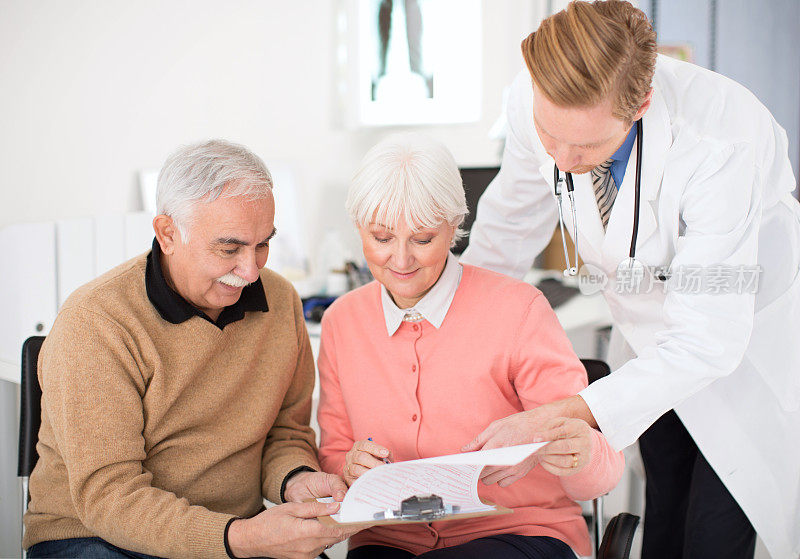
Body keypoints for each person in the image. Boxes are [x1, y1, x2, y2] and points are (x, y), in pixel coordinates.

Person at [459, 2, 800, 558]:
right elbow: (508, 226)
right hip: (649, 340)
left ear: (639, 105)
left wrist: (568, 413)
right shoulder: (532, 97)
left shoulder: (720, 138)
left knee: (716, 530)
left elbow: (707, 339)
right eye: (551, 137)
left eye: (589, 147)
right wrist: (456, 322)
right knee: (664, 514)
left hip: (743, 338)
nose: (565, 162)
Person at [24, 140, 357, 559]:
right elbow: (110, 499)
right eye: (229, 248)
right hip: (96, 537)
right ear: (167, 234)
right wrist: (245, 538)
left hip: (232, 530)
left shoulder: (281, 300)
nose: (251, 270)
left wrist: (295, 478)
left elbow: (284, 433)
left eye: (263, 244)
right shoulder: (96, 321)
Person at [317, 132, 624, 559]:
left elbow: (602, 470)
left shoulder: (518, 310)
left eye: (422, 239)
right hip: (389, 539)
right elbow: (333, 453)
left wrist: (580, 453)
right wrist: (350, 469)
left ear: (454, 226)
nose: (401, 260)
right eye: (382, 238)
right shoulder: (341, 323)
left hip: (519, 531)